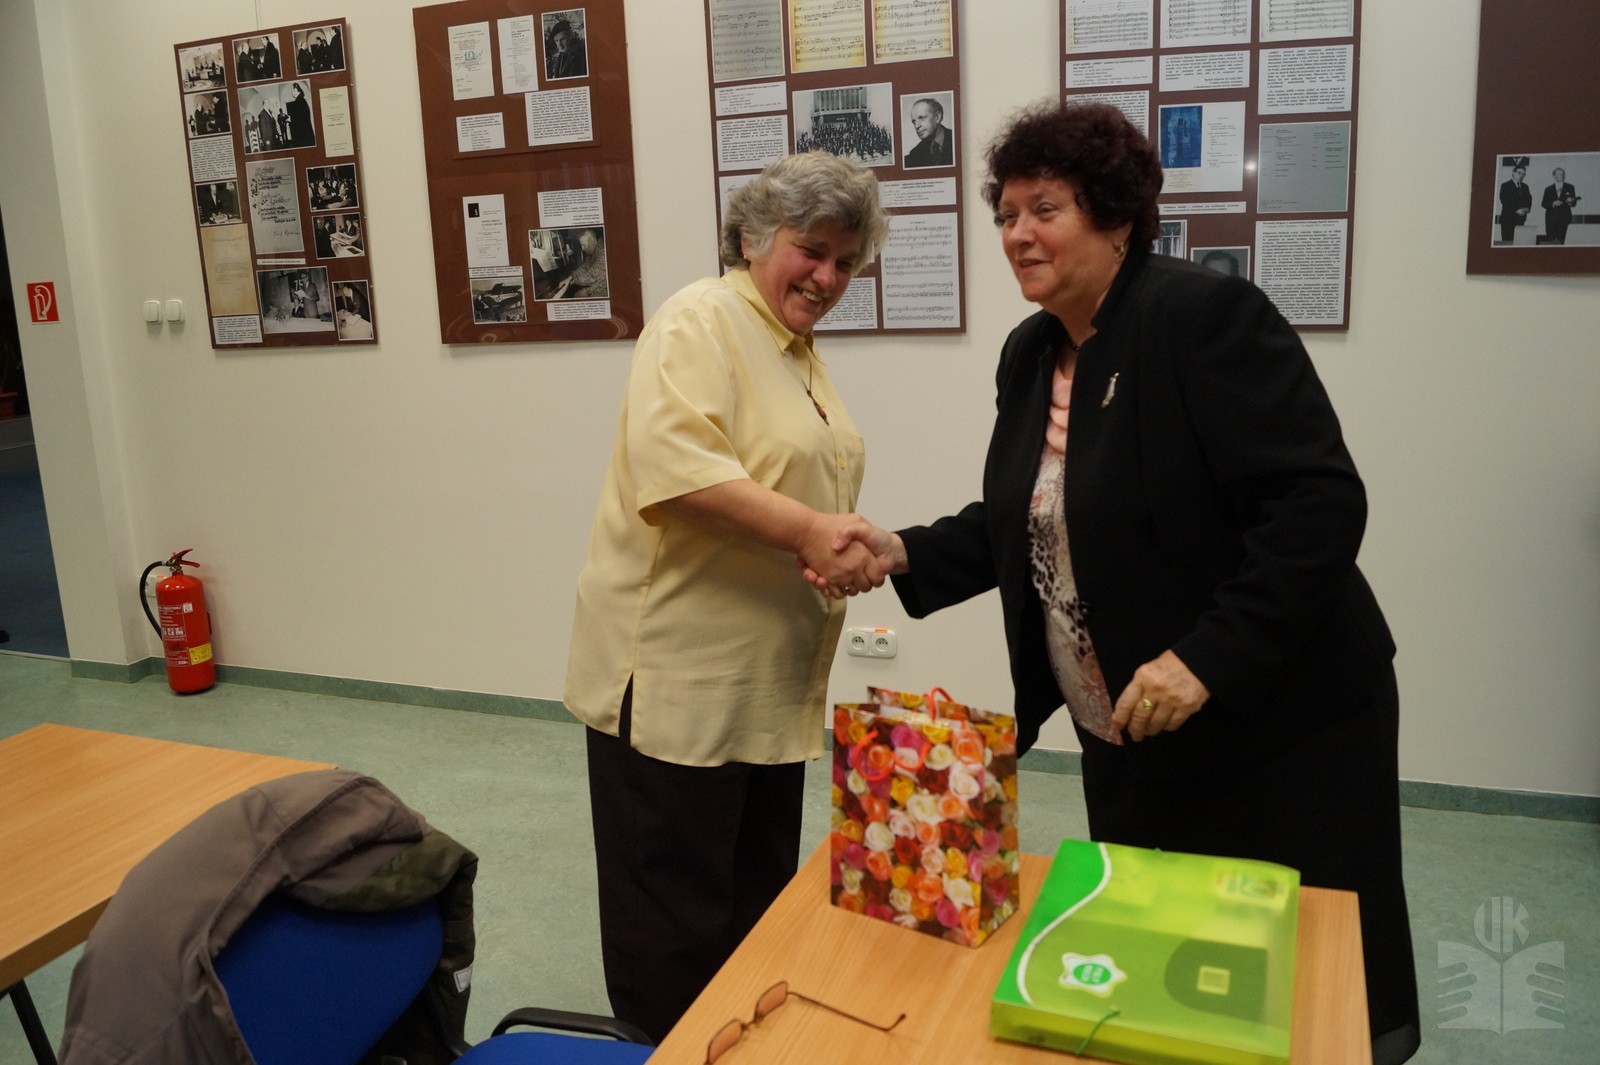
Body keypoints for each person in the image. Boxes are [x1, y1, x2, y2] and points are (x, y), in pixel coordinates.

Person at [813, 101, 1421, 1065]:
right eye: (1006, 213)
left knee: (1295, 980)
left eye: (1045, 209)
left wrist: (1206, 659)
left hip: (1276, 715)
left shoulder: (1202, 317)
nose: (1018, 234)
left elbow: (1316, 505)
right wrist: (902, 552)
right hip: (1129, 722)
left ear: (1118, 220)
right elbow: (1033, 516)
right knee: (1159, 962)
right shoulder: (1031, 352)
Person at [564, 151, 890, 1043]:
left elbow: (793, 480)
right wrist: (810, 533)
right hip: (682, 688)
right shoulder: (700, 320)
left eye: (846, 262)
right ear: (751, 238)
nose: (827, 277)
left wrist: (839, 539)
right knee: (673, 929)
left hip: (762, 690)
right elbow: (678, 474)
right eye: (811, 250)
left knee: (754, 914)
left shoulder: (795, 351)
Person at [552, 228, 608, 299]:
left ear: (591, 241)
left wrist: (572, 281)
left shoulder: (603, 251)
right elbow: (584, 267)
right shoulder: (594, 252)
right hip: (600, 283)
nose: (582, 248)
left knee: (578, 295)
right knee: (578, 294)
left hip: (607, 286)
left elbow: (592, 276)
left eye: (583, 245)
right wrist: (570, 277)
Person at [904, 97, 954, 169]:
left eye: (921, 118)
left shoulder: (957, 139)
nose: (917, 126)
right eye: (914, 121)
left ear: (937, 117)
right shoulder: (915, 154)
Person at [1541, 167, 1580, 245]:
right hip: (1551, 220)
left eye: (1562, 174)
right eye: (1559, 174)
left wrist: (1570, 202)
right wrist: (1553, 203)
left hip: (1564, 219)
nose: (1561, 176)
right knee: (1551, 241)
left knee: (1564, 241)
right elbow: (1543, 204)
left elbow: (1574, 204)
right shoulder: (1548, 189)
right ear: (1554, 176)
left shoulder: (1570, 187)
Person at [1498, 165, 1532, 244]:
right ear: (1513, 173)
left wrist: (1526, 209)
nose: (1521, 175)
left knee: (1518, 242)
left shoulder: (1525, 187)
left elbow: (1529, 200)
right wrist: (1517, 210)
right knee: (1507, 243)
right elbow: (1505, 201)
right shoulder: (1505, 185)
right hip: (1508, 220)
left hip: (1520, 220)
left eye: (1523, 174)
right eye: (1519, 173)